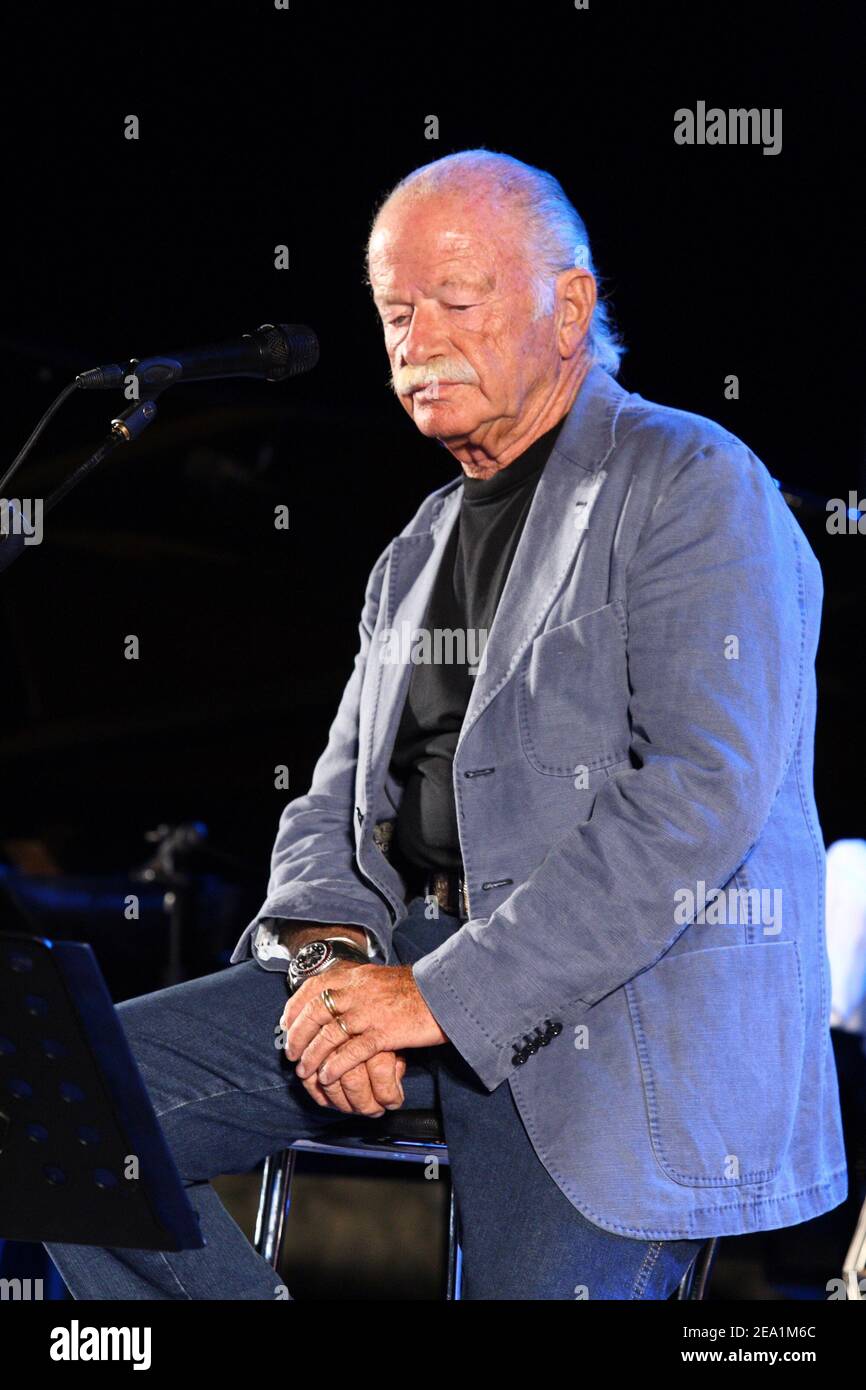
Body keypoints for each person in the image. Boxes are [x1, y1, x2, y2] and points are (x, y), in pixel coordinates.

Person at [46, 149, 846, 1300]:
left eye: (452, 302)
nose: (414, 337)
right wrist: (332, 970)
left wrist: (438, 997)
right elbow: (330, 807)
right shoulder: (413, 549)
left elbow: (692, 796)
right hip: (413, 968)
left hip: (615, 1015)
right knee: (66, 1107)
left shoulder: (691, 480)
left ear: (567, 305)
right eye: (392, 310)